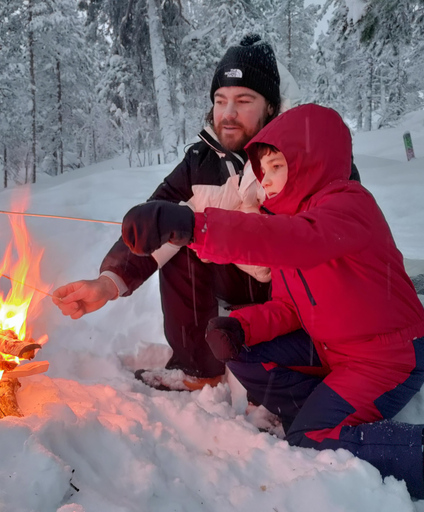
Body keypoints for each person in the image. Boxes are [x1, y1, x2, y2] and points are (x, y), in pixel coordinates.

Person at [120, 104, 424, 512]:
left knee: (310, 440)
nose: (265, 182)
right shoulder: (293, 221)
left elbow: (290, 239)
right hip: (332, 349)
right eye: (262, 171)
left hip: (388, 358)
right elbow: (289, 307)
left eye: (274, 167)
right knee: (243, 354)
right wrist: (243, 329)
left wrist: (193, 225)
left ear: (309, 161)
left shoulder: (347, 206)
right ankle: (319, 412)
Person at [53, 34, 282, 390]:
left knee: (193, 231)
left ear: (270, 106)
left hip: (282, 290)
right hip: (233, 277)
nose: (229, 113)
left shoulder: (293, 156)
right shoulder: (201, 160)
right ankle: (196, 368)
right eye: (220, 100)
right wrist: (108, 283)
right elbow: (155, 218)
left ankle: (277, 374)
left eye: (243, 100)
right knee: (177, 234)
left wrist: (207, 222)